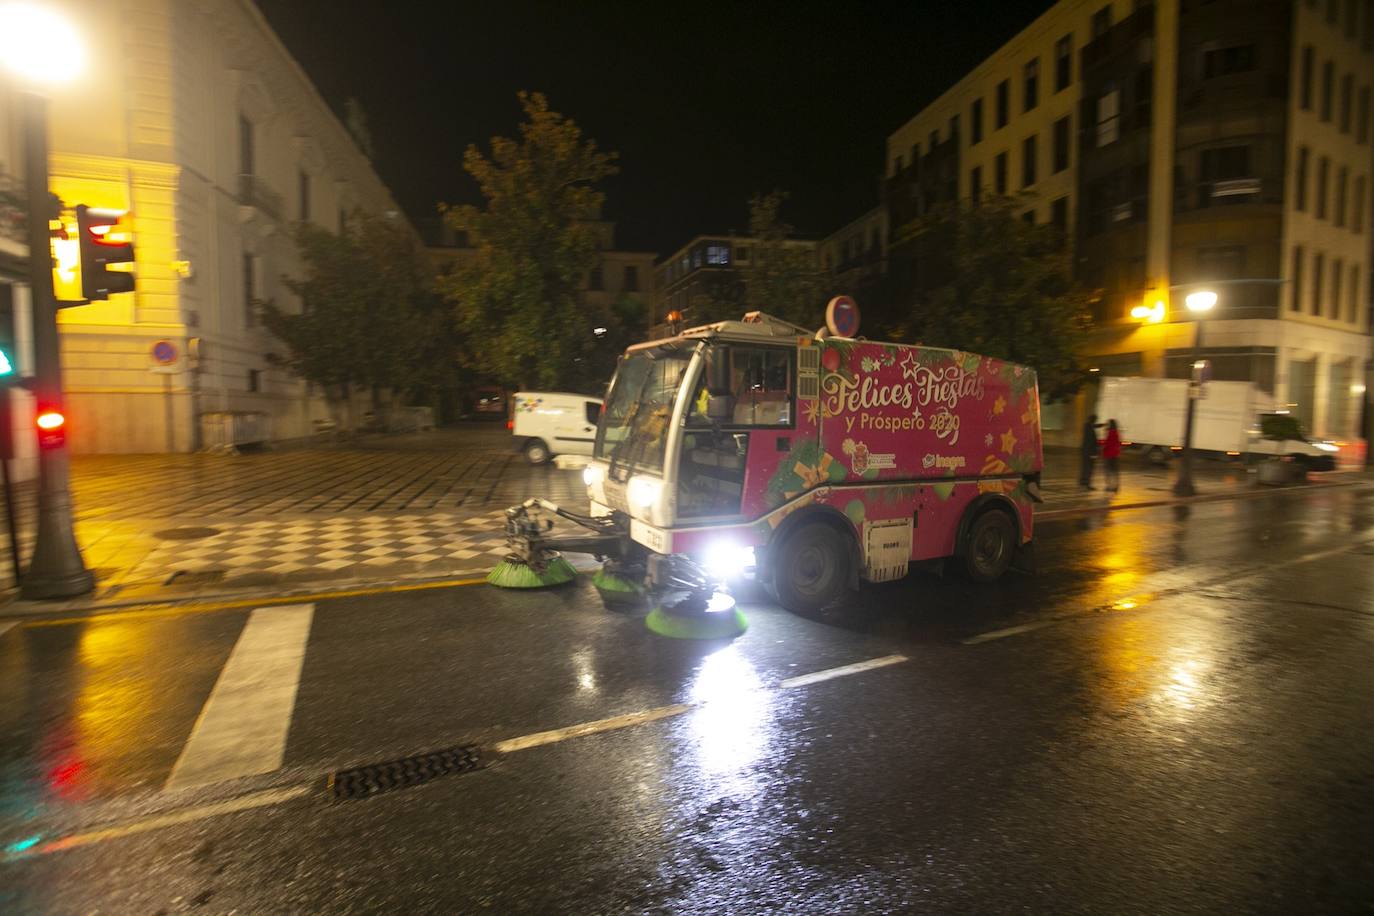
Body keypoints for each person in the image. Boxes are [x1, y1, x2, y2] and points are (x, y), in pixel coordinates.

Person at [1079, 414, 1099, 489]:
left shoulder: (1087, 426)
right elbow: (1091, 442)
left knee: (1084, 467)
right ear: (1093, 420)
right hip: (1090, 452)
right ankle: (1088, 484)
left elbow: (1095, 426)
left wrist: (1101, 425)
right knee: (1089, 468)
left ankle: (1082, 481)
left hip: (1085, 451)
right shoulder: (1090, 429)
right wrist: (1093, 453)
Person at [1102, 419, 1122, 492]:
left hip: (1109, 454)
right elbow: (1118, 443)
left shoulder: (1110, 433)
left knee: (1108, 471)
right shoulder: (1117, 432)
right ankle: (1116, 486)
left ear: (1110, 425)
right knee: (1115, 471)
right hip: (1115, 455)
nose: (1107, 425)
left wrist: (1103, 449)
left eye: (1108, 424)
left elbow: (1107, 444)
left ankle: (1109, 486)